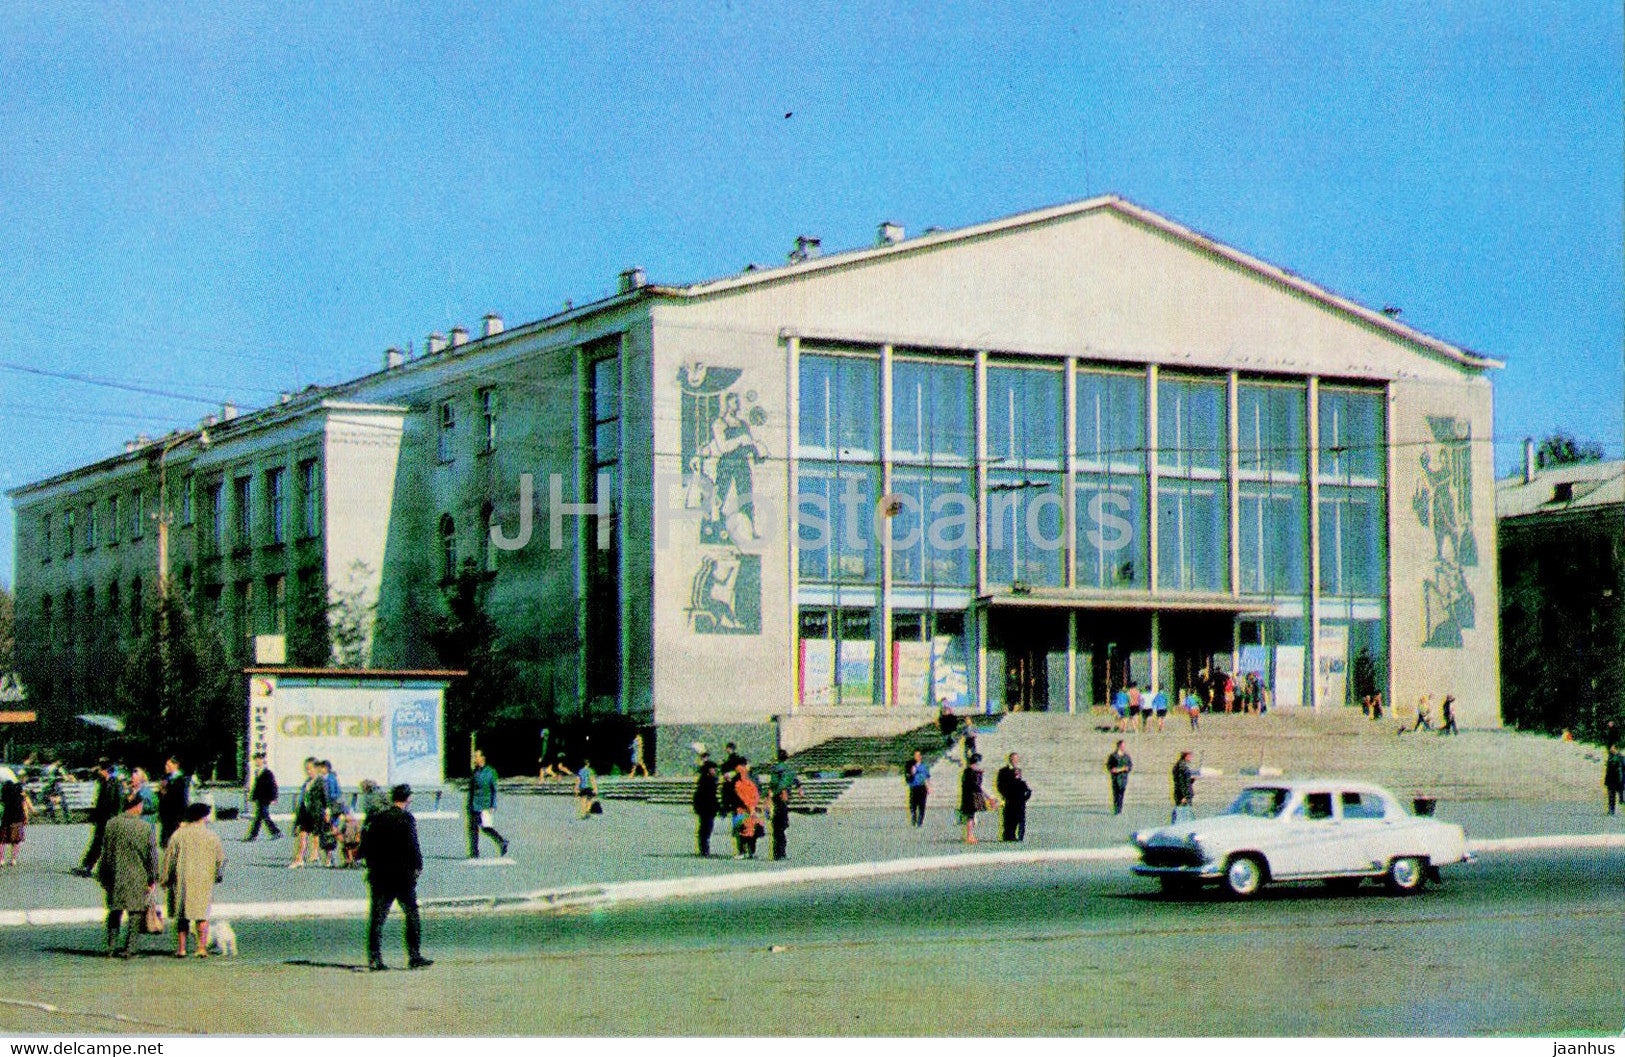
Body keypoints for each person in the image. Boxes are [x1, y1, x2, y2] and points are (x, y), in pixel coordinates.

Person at [360, 784, 432, 972]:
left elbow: (365, 846)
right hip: (402, 876)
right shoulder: (406, 819)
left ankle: (375, 958)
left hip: (380, 876)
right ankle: (414, 956)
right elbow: (413, 846)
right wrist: (418, 867)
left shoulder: (378, 818)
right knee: (411, 914)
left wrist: (372, 866)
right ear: (408, 798)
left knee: (377, 918)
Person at [99, 794, 158, 959]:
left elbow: (106, 852)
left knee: (115, 911)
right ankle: (130, 949)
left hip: (115, 875)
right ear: (137, 806)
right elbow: (151, 856)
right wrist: (152, 877)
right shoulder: (145, 828)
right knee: (135, 913)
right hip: (136, 876)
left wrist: (103, 876)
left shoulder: (111, 824)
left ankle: (110, 947)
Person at [163, 801, 225, 958]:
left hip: (181, 881)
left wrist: (165, 878)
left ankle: (182, 949)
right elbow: (220, 859)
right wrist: (217, 876)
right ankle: (201, 948)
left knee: (182, 916)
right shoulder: (211, 836)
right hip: (203, 881)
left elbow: (169, 859)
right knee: (201, 915)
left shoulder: (178, 835)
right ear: (203, 817)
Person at [75, 759, 120, 877]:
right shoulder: (103, 783)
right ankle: (87, 867)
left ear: (106, 771)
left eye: (101, 770)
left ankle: (108, 871)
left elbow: (117, 803)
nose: (99, 772)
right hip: (102, 819)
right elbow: (99, 802)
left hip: (110, 819)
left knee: (108, 846)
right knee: (97, 844)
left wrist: (116, 819)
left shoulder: (115, 784)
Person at [466, 749, 510, 858]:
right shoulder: (475, 772)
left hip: (485, 805)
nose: (474, 759)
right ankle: (474, 852)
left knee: (486, 828)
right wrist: (468, 804)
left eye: (476, 757)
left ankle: (502, 841)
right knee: (473, 829)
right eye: (474, 757)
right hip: (474, 805)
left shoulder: (490, 772)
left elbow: (494, 789)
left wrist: (493, 805)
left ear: (482, 758)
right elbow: (471, 790)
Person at [290, 758, 329, 868]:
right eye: (306, 769)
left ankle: (316, 855)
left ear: (316, 769)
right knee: (302, 836)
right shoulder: (307, 782)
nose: (308, 771)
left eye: (310, 769)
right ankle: (299, 859)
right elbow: (303, 797)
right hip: (305, 813)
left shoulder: (321, 781)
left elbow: (325, 798)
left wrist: (327, 811)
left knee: (316, 836)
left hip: (316, 813)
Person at [723, 761, 763, 859]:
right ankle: (751, 852)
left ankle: (742, 852)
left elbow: (744, 798)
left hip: (741, 811)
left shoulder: (738, 784)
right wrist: (754, 807)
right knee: (751, 832)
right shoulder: (751, 783)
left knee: (741, 832)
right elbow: (756, 796)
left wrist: (750, 807)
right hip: (751, 811)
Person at [768, 750, 800, 861]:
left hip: (777, 798)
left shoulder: (775, 769)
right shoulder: (788, 769)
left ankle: (777, 853)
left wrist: (771, 794)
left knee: (777, 828)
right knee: (781, 828)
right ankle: (781, 853)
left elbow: (772, 785)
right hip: (783, 799)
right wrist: (798, 788)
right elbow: (794, 780)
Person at [244, 753, 281, 842]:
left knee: (263, 816)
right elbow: (257, 786)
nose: (256, 761)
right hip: (259, 799)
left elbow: (273, 786)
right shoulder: (258, 772)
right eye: (255, 760)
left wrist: (274, 798)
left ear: (262, 760)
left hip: (265, 798)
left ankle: (255, 835)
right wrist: (252, 796)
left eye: (258, 759)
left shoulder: (267, 773)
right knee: (260, 817)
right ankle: (274, 832)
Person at [0, 767, 32, 866]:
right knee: (16, 840)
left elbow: (3, 801)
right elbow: (24, 802)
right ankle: (13, 859)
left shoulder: (4, 789)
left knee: (1, 840)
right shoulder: (19, 788)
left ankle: (1, 860)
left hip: (6, 816)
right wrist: (26, 815)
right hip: (18, 816)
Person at [994, 753, 1030, 842]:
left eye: (1016, 759)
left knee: (1020, 819)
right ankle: (1008, 836)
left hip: (1019, 799)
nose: (1015, 761)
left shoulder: (1018, 770)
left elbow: (1021, 784)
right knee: (1009, 819)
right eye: (1014, 759)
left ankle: (1019, 836)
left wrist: (1024, 797)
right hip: (1009, 798)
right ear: (1010, 759)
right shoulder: (1003, 771)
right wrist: (1005, 795)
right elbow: (1000, 785)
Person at [156, 757, 190, 849]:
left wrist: (183, 819)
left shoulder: (181, 780)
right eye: (165, 765)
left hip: (176, 817)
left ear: (175, 765)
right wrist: (161, 791)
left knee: (175, 844)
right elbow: (162, 796)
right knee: (165, 844)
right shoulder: (166, 778)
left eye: (168, 765)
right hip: (166, 818)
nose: (166, 767)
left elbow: (184, 800)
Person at [958, 754, 992, 844]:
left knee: (971, 816)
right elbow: (977, 786)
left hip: (969, 796)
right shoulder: (972, 773)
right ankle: (969, 836)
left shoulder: (968, 772)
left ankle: (970, 835)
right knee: (970, 816)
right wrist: (988, 797)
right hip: (972, 797)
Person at [692, 759, 720, 857]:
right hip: (706, 808)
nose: (715, 771)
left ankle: (704, 848)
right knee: (705, 829)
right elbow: (706, 796)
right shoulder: (706, 781)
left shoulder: (709, 780)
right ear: (708, 770)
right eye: (713, 769)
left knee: (706, 829)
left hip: (708, 808)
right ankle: (704, 849)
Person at [905, 749, 931, 827]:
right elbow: (907, 776)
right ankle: (914, 819)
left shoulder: (924, 766)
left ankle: (920, 821)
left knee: (922, 805)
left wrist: (929, 787)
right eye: (915, 755)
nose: (917, 757)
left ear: (921, 756)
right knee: (913, 805)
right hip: (913, 787)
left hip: (922, 787)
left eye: (918, 755)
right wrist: (911, 773)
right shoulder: (910, 765)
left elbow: (927, 777)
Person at [1106, 740, 1133, 815]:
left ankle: (1119, 809)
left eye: (1124, 746)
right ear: (1118, 746)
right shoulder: (1113, 756)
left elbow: (1130, 765)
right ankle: (1116, 808)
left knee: (1121, 793)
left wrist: (1127, 768)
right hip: (1115, 777)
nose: (1123, 747)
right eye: (1122, 746)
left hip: (1123, 777)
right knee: (1115, 793)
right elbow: (1108, 765)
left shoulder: (1126, 756)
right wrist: (1112, 769)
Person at [1171, 751, 1198, 823]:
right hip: (1183, 795)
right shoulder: (1182, 767)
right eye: (1190, 756)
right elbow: (1182, 783)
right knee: (1184, 813)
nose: (1191, 758)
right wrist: (1185, 796)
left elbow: (1184, 781)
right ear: (1185, 756)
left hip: (1181, 794)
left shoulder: (1180, 766)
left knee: (1180, 812)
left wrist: (1192, 780)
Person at [1605, 746, 1625, 816]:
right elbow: (1608, 769)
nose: (1611, 749)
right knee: (1611, 796)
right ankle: (1611, 810)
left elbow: (1623, 767)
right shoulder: (1610, 757)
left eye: (1613, 748)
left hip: (1617, 780)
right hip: (1611, 780)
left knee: (1615, 794)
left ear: (1616, 749)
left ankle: (1613, 808)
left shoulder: (1620, 757)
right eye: (1611, 748)